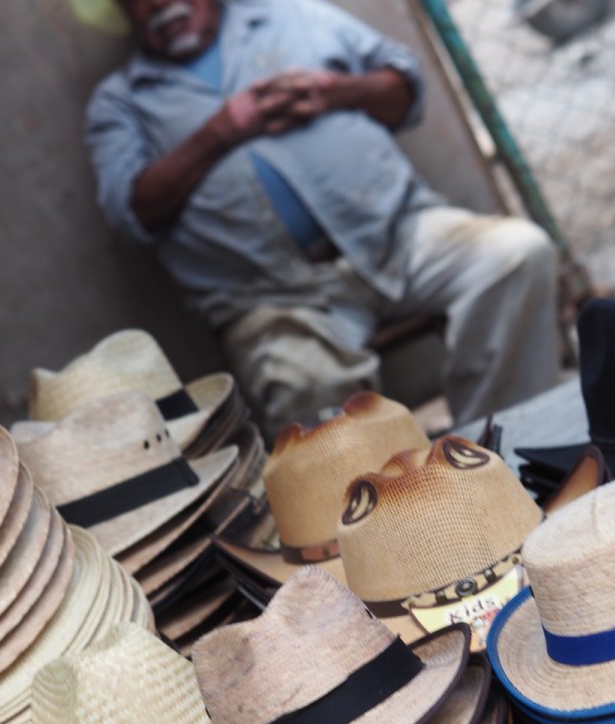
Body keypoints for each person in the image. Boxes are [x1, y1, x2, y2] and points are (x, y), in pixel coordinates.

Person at [85, 0, 562, 442]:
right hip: (271, 296)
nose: (160, 4)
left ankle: (499, 449)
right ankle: (397, 513)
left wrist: (338, 92)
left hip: (398, 234)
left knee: (516, 254)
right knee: (304, 387)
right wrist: (220, 131)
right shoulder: (121, 101)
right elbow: (132, 213)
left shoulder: (292, 15)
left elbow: (404, 90)